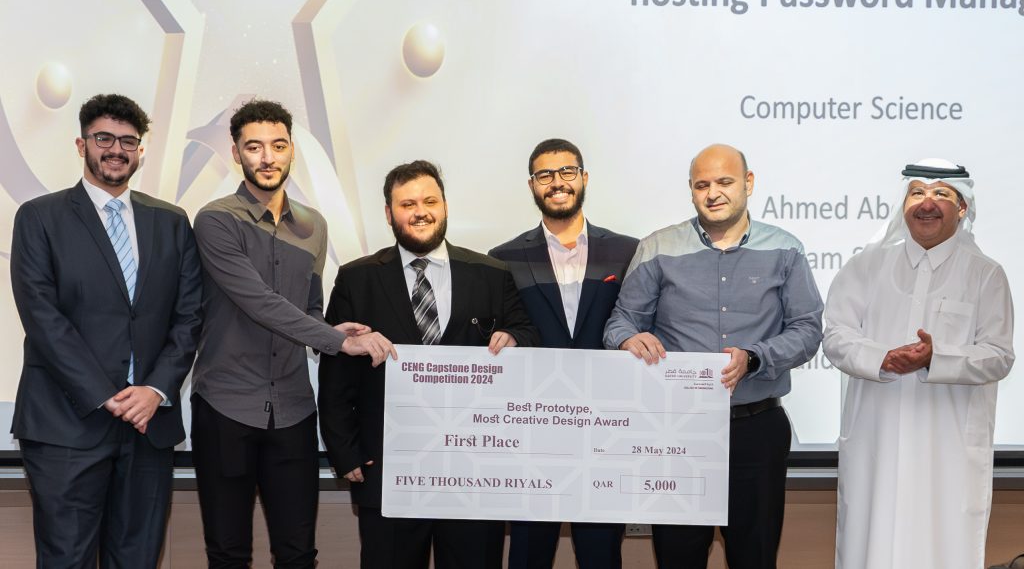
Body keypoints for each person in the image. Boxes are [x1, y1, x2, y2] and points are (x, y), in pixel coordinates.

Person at [603, 143, 823, 569]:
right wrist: (628, 340)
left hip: (756, 429)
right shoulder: (658, 247)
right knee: (678, 556)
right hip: (675, 431)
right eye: (702, 185)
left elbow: (808, 330)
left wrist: (755, 358)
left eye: (724, 182)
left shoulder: (786, 249)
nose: (713, 193)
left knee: (754, 557)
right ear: (691, 190)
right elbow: (620, 323)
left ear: (748, 183)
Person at [190, 99, 388, 568]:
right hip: (225, 407)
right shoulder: (215, 219)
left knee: (298, 554)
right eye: (254, 147)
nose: (267, 157)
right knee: (228, 554)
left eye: (278, 145)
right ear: (235, 154)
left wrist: (329, 329)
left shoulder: (314, 226)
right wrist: (339, 341)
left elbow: (307, 309)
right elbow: (258, 301)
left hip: (294, 411)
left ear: (292, 151)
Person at [10, 93, 202, 567]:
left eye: (128, 141)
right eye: (104, 138)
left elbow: (190, 316)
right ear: (81, 145)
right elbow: (42, 318)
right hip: (65, 425)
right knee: (66, 560)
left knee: (138, 560)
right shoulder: (39, 217)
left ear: (140, 151)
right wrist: (106, 394)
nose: (116, 150)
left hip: (148, 427)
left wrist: (155, 389)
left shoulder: (172, 222)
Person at [318, 159, 539, 569]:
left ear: (445, 206)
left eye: (430, 201)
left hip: (476, 472)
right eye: (407, 204)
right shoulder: (357, 279)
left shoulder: (491, 274)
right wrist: (345, 452)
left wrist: (515, 338)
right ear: (389, 214)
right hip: (388, 470)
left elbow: (527, 334)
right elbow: (335, 377)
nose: (420, 212)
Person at [822, 159, 1014, 569]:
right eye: (917, 193)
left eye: (941, 194)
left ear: (962, 207)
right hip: (876, 444)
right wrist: (882, 358)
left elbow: (998, 356)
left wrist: (936, 358)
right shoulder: (865, 266)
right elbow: (835, 336)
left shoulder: (986, 274)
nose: (927, 204)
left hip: (947, 452)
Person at [490, 138, 637, 569]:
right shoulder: (503, 259)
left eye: (567, 172)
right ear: (532, 185)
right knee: (528, 554)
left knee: (601, 555)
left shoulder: (628, 251)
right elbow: (506, 330)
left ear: (584, 178)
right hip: (533, 435)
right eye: (545, 175)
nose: (557, 182)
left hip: (606, 432)